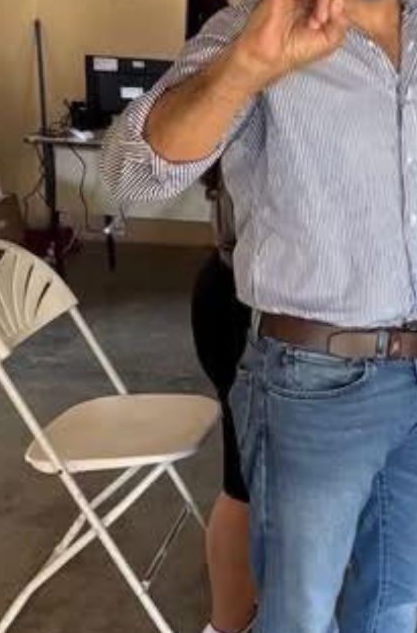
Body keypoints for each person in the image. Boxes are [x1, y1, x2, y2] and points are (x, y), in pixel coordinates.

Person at [101, 0, 417, 633]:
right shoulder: (256, 30)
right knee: (298, 615)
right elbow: (129, 178)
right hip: (316, 381)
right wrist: (249, 66)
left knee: (397, 595)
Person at [190, 172, 256, 633]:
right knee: (244, 482)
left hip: (241, 294)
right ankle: (227, 626)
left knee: (254, 479)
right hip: (241, 302)